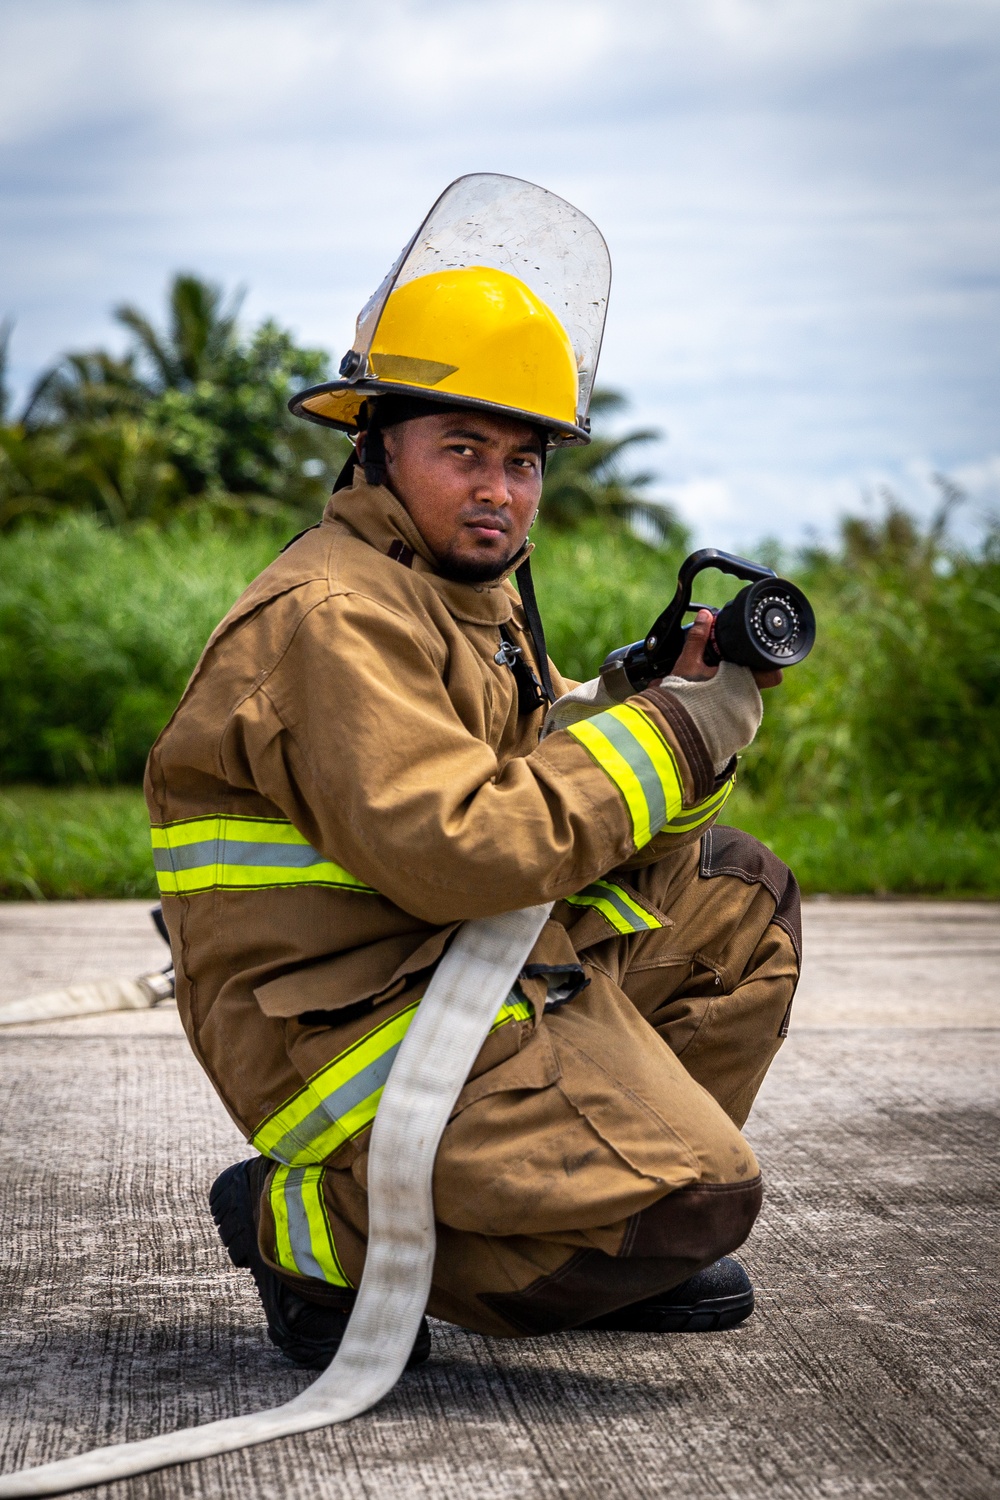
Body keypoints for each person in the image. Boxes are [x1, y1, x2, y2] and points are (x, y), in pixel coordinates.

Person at [145, 177, 800, 1371]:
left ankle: (582, 1216)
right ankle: (307, 1227)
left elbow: (568, 802)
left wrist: (645, 711)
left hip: (461, 968)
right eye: (462, 450)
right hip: (343, 1022)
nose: (499, 488)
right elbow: (467, 848)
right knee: (691, 1206)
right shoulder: (334, 615)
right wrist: (673, 735)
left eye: (522, 459)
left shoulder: (466, 605)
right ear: (374, 447)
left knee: (738, 900)